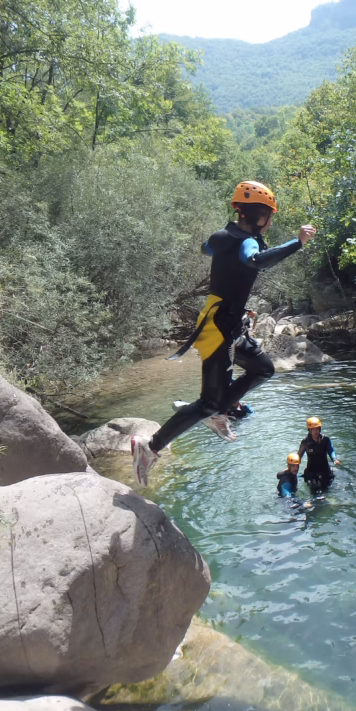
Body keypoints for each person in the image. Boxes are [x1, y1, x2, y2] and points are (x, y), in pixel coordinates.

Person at [131, 181, 316, 486]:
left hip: (228, 325)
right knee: (207, 402)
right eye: (268, 215)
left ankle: (221, 411)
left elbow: (208, 248)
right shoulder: (246, 241)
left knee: (263, 369)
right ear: (258, 215)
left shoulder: (225, 236)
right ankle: (149, 447)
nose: (269, 222)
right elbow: (253, 261)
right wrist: (297, 242)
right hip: (218, 330)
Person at [297, 416, 340, 492]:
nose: (315, 431)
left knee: (326, 490)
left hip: (325, 470)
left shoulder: (325, 439)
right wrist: (290, 468)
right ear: (309, 430)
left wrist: (334, 459)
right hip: (311, 471)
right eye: (313, 429)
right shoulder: (305, 442)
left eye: (317, 428)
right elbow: (298, 456)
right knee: (314, 491)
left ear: (320, 429)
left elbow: (331, 450)